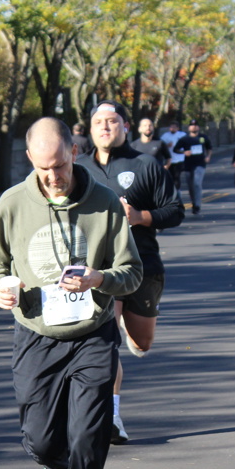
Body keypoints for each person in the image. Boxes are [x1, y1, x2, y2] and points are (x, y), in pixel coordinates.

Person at [0, 117, 143, 469]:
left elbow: (132, 272)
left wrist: (98, 278)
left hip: (93, 335)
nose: (53, 176)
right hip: (36, 335)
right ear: (30, 159)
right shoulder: (12, 204)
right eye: (43, 168)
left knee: (89, 436)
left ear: (74, 151)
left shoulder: (104, 203)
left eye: (60, 165)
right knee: (40, 439)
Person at [77, 100, 184, 444]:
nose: (105, 127)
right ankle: (112, 417)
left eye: (112, 121)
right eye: (98, 122)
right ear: (90, 129)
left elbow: (175, 211)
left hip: (142, 266)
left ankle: (129, 325)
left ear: (125, 126)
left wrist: (139, 217)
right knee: (106, 345)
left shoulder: (145, 164)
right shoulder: (78, 169)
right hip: (99, 271)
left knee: (141, 342)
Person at [173, 119, 213, 215]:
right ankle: (194, 203)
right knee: (191, 186)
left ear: (198, 127)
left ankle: (198, 205)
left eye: (195, 125)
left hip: (200, 164)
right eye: (192, 125)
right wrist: (184, 152)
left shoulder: (203, 137)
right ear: (189, 127)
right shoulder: (184, 139)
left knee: (197, 183)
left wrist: (208, 156)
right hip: (188, 165)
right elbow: (176, 149)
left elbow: (209, 148)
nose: (194, 127)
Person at [160, 121, 186, 194]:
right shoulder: (165, 136)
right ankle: (172, 191)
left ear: (178, 128)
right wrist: (167, 145)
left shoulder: (182, 135)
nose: (172, 128)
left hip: (179, 159)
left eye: (174, 127)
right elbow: (160, 146)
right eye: (171, 127)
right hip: (170, 160)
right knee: (170, 176)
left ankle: (177, 191)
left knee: (176, 176)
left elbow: (187, 145)